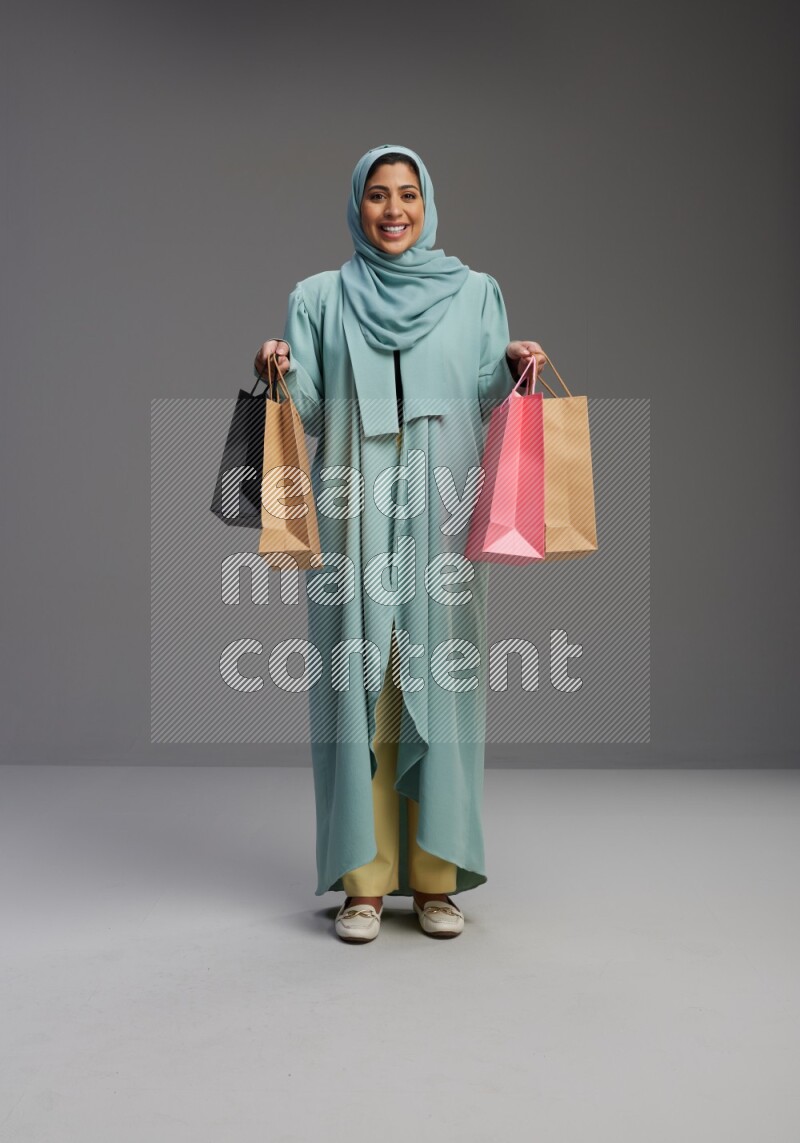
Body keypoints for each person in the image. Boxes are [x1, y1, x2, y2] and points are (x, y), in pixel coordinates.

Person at [254, 143, 546, 943]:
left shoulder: (477, 294)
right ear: (357, 204)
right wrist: (279, 368)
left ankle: (436, 874)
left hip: (443, 510)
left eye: (407, 194)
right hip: (355, 509)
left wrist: (516, 365)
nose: (393, 210)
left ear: (427, 202)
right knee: (362, 685)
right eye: (378, 195)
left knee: (440, 683)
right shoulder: (317, 298)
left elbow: (487, 391)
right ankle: (364, 883)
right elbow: (309, 408)